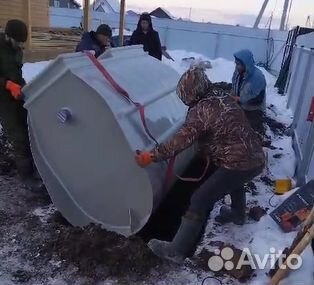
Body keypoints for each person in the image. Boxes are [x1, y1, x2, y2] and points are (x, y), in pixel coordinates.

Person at [135, 67, 265, 263]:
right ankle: (238, 215)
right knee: (234, 181)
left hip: (239, 162)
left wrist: (152, 156)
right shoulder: (219, 94)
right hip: (255, 157)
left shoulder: (202, 110)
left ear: (190, 93)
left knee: (199, 199)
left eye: (185, 96)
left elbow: (181, 140)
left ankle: (176, 250)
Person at [0, 19, 39, 188]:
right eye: (17, 41)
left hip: (15, 95)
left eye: (21, 42)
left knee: (29, 128)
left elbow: (17, 72)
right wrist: (7, 84)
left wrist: (23, 87)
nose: (19, 45)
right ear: (8, 36)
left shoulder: (16, 49)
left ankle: (35, 167)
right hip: (3, 100)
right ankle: (26, 177)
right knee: (18, 137)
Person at [232, 49, 267, 136]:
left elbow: (258, 99)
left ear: (245, 64)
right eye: (236, 63)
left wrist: (240, 99)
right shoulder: (238, 72)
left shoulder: (257, 77)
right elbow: (234, 85)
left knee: (249, 134)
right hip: (240, 106)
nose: (236, 66)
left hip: (253, 111)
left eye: (238, 64)